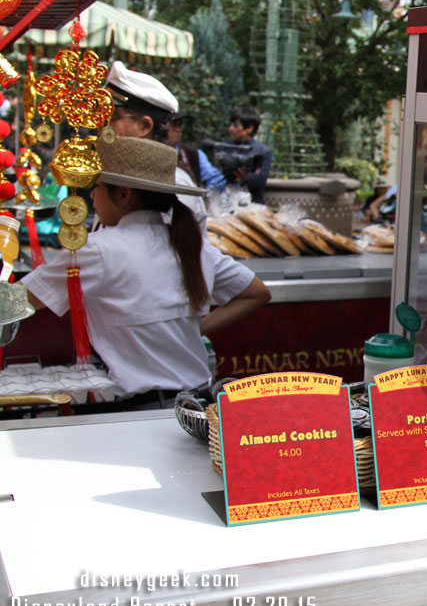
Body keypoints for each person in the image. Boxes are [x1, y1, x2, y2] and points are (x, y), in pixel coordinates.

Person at [21, 137, 271, 409]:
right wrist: (192, 328)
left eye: (98, 187)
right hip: (196, 405)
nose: (92, 195)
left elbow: (19, 301)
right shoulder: (192, 246)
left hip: (140, 410)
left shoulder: (99, 251)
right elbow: (257, 293)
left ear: (123, 194)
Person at [104, 61, 208, 230]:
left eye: (113, 117)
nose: (103, 125)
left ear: (145, 126)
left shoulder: (171, 181)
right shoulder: (119, 172)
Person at [167, 113, 227, 193]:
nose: (179, 130)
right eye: (174, 125)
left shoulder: (194, 154)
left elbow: (216, 179)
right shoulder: (151, 152)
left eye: (180, 125)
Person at [228, 107, 273, 204]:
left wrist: (244, 177)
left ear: (249, 128)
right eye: (230, 125)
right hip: (226, 200)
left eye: (235, 125)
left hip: (253, 203)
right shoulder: (225, 147)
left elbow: (260, 179)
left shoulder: (261, 151)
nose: (231, 129)